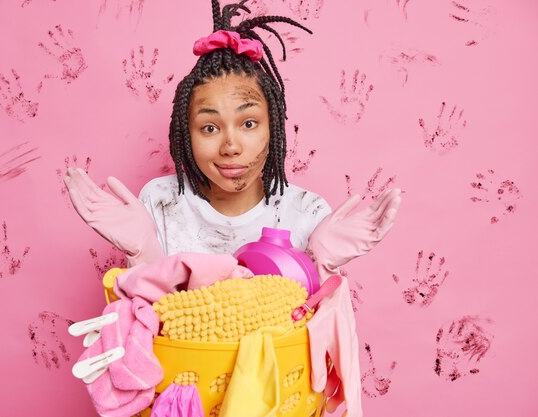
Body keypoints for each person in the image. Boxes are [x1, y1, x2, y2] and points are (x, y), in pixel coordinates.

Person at [63, 0, 401, 275]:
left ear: (274, 128)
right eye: (209, 128)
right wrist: (144, 252)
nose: (231, 146)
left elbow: (316, 336)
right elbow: (146, 323)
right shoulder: (160, 204)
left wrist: (317, 263)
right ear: (186, 133)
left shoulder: (307, 214)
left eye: (249, 124)